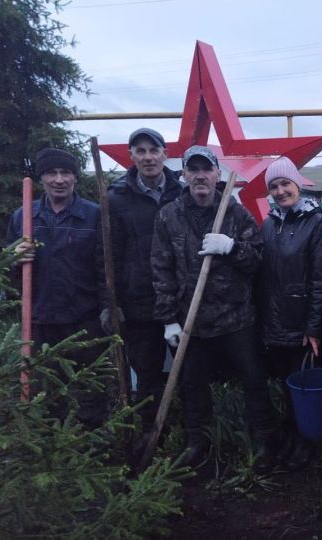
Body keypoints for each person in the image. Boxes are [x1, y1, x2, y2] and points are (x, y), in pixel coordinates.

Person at [151, 145, 279, 470]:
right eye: (192, 170)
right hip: (190, 320)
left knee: (253, 378)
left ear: (217, 175)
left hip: (236, 316)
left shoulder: (234, 213)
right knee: (192, 384)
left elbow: (257, 260)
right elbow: (160, 269)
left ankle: (264, 440)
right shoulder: (169, 215)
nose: (200, 176)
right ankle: (198, 442)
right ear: (184, 176)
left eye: (206, 169)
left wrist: (232, 247)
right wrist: (168, 320)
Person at [7, 148, 109, 427]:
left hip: (85, 320)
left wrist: (108, 309)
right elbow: (8, 273)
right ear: (42, 178)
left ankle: (93, 449)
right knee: (47, 392)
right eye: (52, 173)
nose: (59, 179)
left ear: (75, 177)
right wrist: (15, 258)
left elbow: (105, 268)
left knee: (92, 390)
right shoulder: (23, 217)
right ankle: (53, 455)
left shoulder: (94, 215)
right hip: (41, 320)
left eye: (65, 173)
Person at [256, 156, 322, 471]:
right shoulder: (269, 224)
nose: (280, 191)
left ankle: (308, 441)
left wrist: (314, 327)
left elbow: (320, 280)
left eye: (285, 183)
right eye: (273, 186)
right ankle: (291, 435)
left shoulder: (316, 223)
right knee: (285, 386)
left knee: (303, 384)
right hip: (274, 323)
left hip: (301, 322)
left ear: (297, 184)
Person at [106, 128, 182, 447]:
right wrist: (114, 301)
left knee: (187, 372)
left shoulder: (181, 191)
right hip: (139, 302)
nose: (148, 157)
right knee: (146, 374)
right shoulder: (116, 197)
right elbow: (110, 252)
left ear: (165, 154)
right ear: (132, 156)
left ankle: (192, 434)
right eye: (141, 151)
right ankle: (152, 435)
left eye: (154, 150)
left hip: (180, 299)